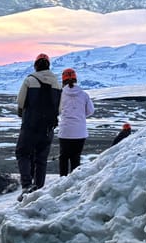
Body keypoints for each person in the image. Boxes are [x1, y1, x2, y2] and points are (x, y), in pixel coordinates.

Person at [15, 53, 61, 196]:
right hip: (47, 128)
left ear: (36, 65)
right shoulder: (56, 83)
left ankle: (27, 185)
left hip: (30, 125)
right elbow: (59, 108)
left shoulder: (30, 80)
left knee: (23, 153)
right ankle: (39, 189)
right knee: (41, 159)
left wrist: (23, 113)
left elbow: (20, 102)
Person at [57, 68, 94, 176]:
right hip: (80, 132)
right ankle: (73, 182)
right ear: (75, 79)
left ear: (63, 80)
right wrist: (81, 116)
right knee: (75, 158)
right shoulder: (84, 94)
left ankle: (62, 180)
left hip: (65, 131)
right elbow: (91, 111)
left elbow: (57, 110)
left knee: (63, 157)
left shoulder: (61, 94)